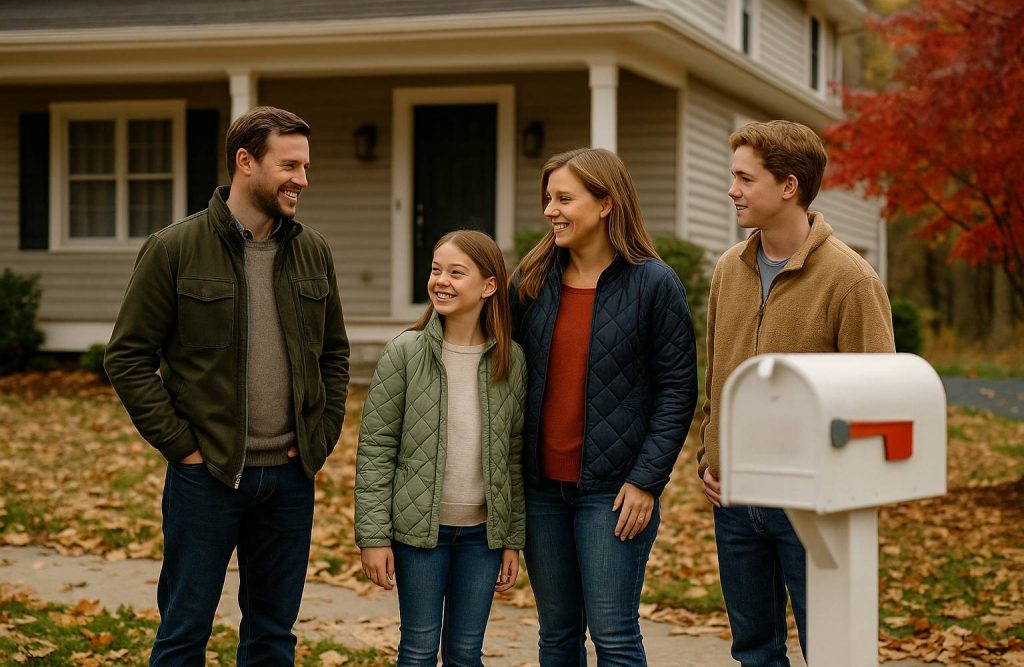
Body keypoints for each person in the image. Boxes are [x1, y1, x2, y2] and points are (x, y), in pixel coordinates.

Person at [104, 106, 350, 665]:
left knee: (272, 636)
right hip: (207, 476)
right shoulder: (174, 249)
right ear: (245, 161)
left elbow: (334, 356)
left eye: (305, 167)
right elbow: (128, 357)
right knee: (184, 632)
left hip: (289, 479)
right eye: (289, 165)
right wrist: (182, 448)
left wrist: (320, 435)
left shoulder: (313, 251)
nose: (302, 180)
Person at [698, 120, 895, 666]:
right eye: (733, 177)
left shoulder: (851, 280)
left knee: (831, 652)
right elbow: (718, 376)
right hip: (734, 500)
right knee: (754, 653)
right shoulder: (728, 270)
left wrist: (839, 490)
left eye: (745, 179)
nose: (732, 190)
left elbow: (878, 400)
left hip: (813, 507)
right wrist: (710, 457)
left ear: (789, 186)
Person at [511, 147, 698, 666]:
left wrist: (646, 480)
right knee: (556, 635)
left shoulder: (654, 283)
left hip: (614, 493)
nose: (550, 210)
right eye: (548, 198)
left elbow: (677, 390)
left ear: (605, 203)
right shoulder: (531, 280)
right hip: (541, 491)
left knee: (613, 635)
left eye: (564, 199)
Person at [355, 230, 527, 666]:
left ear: (489, 286)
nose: (441, 281)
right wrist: (373, 537)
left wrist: (511, 539)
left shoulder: (511, 361)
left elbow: (512, 456)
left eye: (456, 272)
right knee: (418, 649)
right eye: (436, 270)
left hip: (482, 538)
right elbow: (376, 449)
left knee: (466, 652)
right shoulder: (405, 353)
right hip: (418, 534)